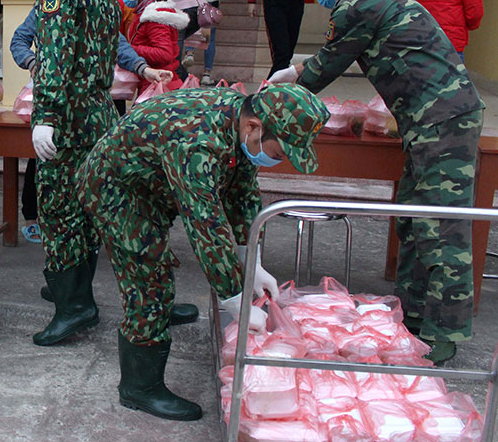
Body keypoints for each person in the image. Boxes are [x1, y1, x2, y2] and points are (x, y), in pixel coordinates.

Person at [269, 0, 486, 365]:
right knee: (412, 217)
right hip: (428, 120)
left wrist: (283, 87)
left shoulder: (358, 5)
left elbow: (326, 66)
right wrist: (295, 73)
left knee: (442, 228)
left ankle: (443, 332)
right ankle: (412, 314)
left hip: (443, 120)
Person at [78, 84, 328, 420]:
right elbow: (205, 223)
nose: (276, 161)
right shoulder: (198, 140)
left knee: (158, 270)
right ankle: (140, 386)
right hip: (115, 189)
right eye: (279, 152)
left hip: (150, 185)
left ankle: (159, 312)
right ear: (254, 127)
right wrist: (233, 296)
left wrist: (250, 259)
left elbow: (241, 193)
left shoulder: (238, 121)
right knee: (148, 277)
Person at [9, 1, 171, 247]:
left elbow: (117, 44)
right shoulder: (49, 2)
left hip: (93, 109)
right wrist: (33, 63)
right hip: (54, 103)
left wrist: (143, 68)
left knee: (96, 167)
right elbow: (19, 41)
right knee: (45, 161)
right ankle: (41, 220)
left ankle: (89, 227)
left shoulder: (96, 4)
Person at [30, 0, 119, 346]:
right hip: (100, 115)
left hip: (66, 120)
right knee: (86, 210)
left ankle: (74, 308)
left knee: (59, 212)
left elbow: (54, 58)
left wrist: (45, 115)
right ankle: (76, 294)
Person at [121, 0, 188, 90]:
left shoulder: (155, 18)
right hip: (153, 83)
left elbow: (164, 53)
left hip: (160, 85)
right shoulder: (143, 13)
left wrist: (131, 49)